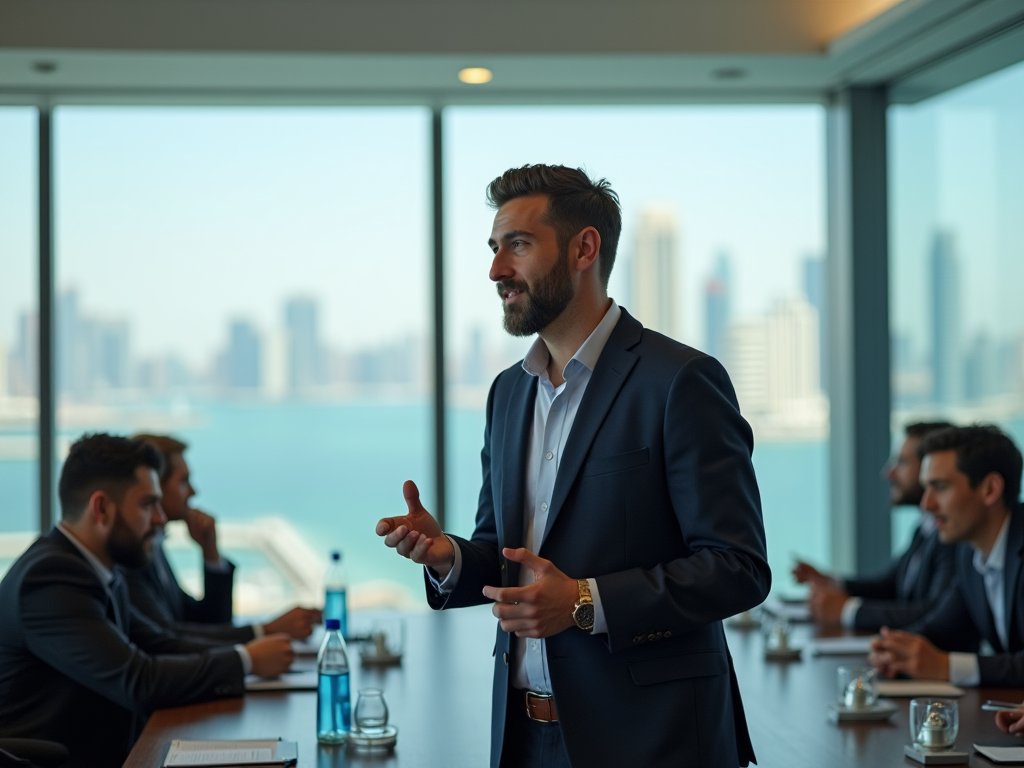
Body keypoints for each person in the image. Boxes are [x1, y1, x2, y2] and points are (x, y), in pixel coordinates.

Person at [375, 165, 771, 768]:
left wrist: (586, 601)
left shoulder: (680, 382)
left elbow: (738, 568)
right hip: (524, 739)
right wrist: (448, 557)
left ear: (585, 247)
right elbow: (505, 553)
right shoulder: (508, 393)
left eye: (519, 245)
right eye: (493, 248)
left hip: (653, 740)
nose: (496, 270)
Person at [0, 434, 294, 768]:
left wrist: (251, 649)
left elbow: (159, 642)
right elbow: (138, 680)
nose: (161, 518)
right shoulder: (50, 578)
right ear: (101, 508)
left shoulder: (99, 568)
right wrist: (246, 660)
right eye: (147, 504)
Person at [126, 434, 320, 644]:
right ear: (155, 487)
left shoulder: (155, 546)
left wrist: (211, 554)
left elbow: (207, 623)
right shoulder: (129, 556)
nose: (193, 491)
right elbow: (166, 638)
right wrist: (264, 631)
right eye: (183, 482)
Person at [869, 425, 1024, 687]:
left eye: (939, 487)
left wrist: (947, 667)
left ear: (990, 489)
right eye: (925, 488)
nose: (926, 504)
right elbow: (942, 629)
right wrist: (895, 649)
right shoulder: (969, 554)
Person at [792, 421, 957, 630]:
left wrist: (847, 610)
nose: (889, 473)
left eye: (902, 462)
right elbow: (890, 585)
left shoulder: (953, 537)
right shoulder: (924, 528)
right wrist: (831, 581)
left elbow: (933, 613)